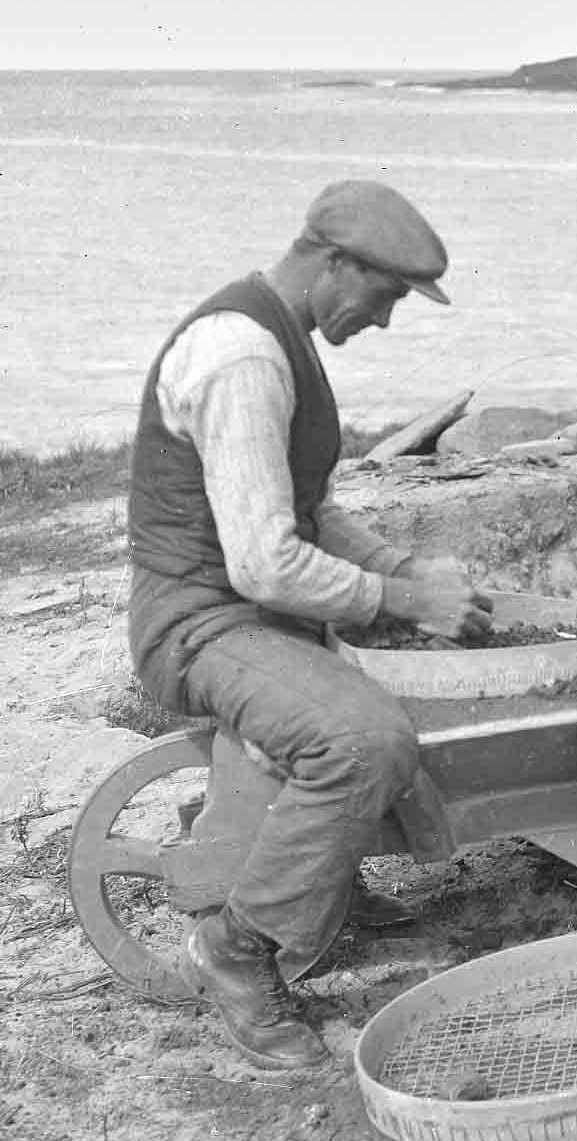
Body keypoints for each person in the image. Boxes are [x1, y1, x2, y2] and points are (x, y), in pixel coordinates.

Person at [126, 179, 494, 1069]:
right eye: (386, 296)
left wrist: (400, 568)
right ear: (336, 264)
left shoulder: (280, 334)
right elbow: (262, 562)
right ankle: (237, 950)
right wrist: (403, 602)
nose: (383, 320)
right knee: (363, 740)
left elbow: (307, 510)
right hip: (201, 622)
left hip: (249, 612)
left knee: (376, 695)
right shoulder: (244, 359)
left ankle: (324, 880)